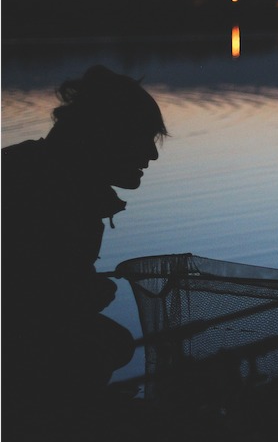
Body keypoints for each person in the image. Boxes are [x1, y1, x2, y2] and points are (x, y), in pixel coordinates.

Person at [2, 65, 168, 413]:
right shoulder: (47, 191)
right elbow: (24, 300)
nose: (152, 155)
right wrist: (80, 294)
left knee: (112, 343)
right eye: (145, 139)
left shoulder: (48, 172)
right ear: (108, 137)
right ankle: (43, 422)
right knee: (106, 345)